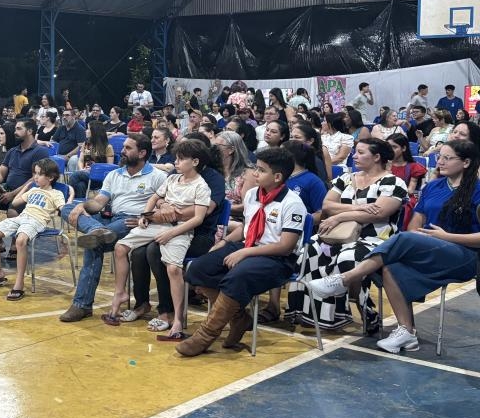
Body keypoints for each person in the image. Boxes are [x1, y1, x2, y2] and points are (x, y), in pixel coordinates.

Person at [307, 139, 480, 353]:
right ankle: (407, 332)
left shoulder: (477, 189)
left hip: (465, 255)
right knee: (390, 266)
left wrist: (446, 237)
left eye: (447, 158)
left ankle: (345, 279)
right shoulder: (433, 186)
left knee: (402, 239)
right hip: (429, 247)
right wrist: (426, 239)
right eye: (440, 157)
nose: (440, 162)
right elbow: (416, 224)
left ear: (466, 162)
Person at [177, 147, 309, 356]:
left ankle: (205, 336)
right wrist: (225, 242)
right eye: (256, 168)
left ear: (277, 176)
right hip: (248, 246)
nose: (255, 173)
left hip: (277, 259)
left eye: (261, 170)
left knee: (237, 276)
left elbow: (286, 245)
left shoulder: (292, 203)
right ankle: (239, 318)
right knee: (198, 268)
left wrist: (245, 253)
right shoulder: (251, 195)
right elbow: (246, 227)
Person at [287, 138, 407, 331]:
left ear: (377, 157)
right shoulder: (345, 178)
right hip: (338, 234)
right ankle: (313, 314)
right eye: (355, 152)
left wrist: (339, 216)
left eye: (360, 152)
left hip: (377, 238)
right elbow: (327, 205)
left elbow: (381, 213)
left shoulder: (393, 182)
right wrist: (361, 208)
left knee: (347, 258)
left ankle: (366, 310)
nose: (354, 156)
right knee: (309, 251)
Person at [106, 139, 212, 337]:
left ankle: (178, 318)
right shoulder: (172, 179)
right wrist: (145, 216)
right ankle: (120, 293)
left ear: (195, 162)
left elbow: (198, 218)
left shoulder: (201, 186)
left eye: (181, 159)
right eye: (177, 158)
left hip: (180, 229)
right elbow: (154, 198)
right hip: (156, 224)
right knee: (120, 247)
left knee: (173, 268)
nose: (176, 162)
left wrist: (171, 233)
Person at [59, 134, 168, 322]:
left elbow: (164, 207)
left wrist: (146, 218)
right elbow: (99, 203)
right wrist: (83, 206)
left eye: (127, 148)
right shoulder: (114, 174)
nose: (122, 151)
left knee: (94, 245)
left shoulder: (158, 177)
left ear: (142, 153)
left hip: (132, 222)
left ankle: (82, 305)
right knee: (66, 207)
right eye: (123, 147)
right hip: (109, 219)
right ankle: (96, 230)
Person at [0, 158, 65, 301]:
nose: (35, 177)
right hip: (22, 217)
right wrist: (25, 188)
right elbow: (14, 203)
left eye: (39, 174)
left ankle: (19, 283)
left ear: (51, 177)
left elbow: (63, 209)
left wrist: (71, 198)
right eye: (34, 173)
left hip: (37, 220)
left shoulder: (56, 194)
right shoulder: (33, 189)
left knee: (20, 240)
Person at [0, 119, 47, 240]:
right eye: (15, 129)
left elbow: (35, 179)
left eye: (19, 129)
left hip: (28, 194)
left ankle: (16, 245)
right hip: (7, 190)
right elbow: (1, 171)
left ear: (29, 131)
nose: (15, 132)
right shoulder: (13, 151)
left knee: (13, 211)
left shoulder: (40, 152)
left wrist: (13, 194)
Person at [67, 120, 114, 198]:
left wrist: (91, 170)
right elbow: (81, 160)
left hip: (99, 177)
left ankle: (66, 197)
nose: (86, 131)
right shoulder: (86, 144)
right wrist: (82, 169)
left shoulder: (108, 147)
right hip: (85, 175)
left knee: (75, 175)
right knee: (80, 185)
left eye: (88, 129)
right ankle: (78, 204)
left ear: (94, 131)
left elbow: (110, 167)